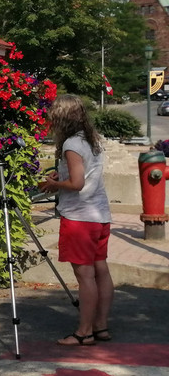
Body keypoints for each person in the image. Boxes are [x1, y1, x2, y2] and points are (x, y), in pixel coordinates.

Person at [37, 94, 114, 345]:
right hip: (100, 215)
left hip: (80, 218)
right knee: (101, 271)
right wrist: (61, 177)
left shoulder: (71, 144)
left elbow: (77, 183)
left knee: (85, 277)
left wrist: (54, 183)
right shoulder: (93, 140)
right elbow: (86, 177)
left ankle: (84, 332)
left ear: (61, 118)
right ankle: (100, 326)